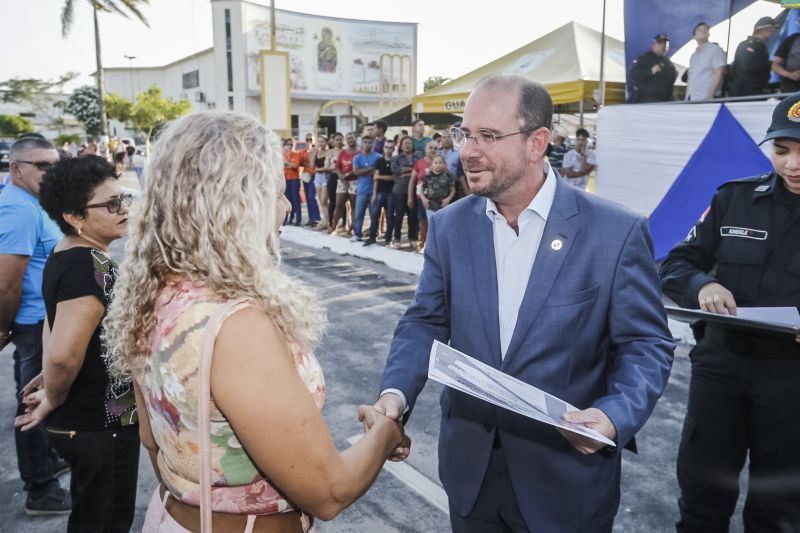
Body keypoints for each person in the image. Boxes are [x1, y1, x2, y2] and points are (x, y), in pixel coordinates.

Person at [369, 74, 674, 532]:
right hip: (470, 477)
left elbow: (646, 344)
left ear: (537, 143)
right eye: (465, 134)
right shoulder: (450, 227)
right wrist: (394, 396)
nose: (468, 151)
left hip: (565, 484)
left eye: (488, 136)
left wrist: (613, 416)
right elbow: (424, 323)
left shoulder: (615, 233)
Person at [102, 112, 409, 532]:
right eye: (277, 193)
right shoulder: (235, 323)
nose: (287, 207)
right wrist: (386, 432)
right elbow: (329, 492)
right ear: (237, 205)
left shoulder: (155, 292)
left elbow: (154, 441)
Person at [660, 92, 800, 533]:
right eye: (782, 150)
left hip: (792, 380)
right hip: (720, 368)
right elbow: (676, 264)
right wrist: (704, 285)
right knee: (701, 498)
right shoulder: (734, 199)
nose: (792, 165)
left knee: (779, 511)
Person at [15, 155, 139, 532]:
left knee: (93, 516)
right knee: (104, 521)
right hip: (99, 424)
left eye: (123, 198)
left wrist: (48, 375)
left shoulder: (68, 251)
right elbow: (64, 356)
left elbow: (54, 323)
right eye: (111, 204)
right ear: (74, 216)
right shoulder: (87, 266)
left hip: (96, 422)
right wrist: (53, 395)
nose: (123, 209)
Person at [0, 136, 71, 515]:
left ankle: (47, 461)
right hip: (35, 324)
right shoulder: (20, 210)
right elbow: (7, 284)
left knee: (43, 399)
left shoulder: (27, 201)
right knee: (34, 403)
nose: (51, 172)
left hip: (42, 321)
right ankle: (40, 490)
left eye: (54, 164)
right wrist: (2, 329)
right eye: (42, 165)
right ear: (16, 168)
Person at [729, 17, 776, 97]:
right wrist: (770, 64)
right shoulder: (749, 45)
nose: (772, 33)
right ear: (762, 30)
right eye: (771, 30)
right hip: (746, 91)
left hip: (755, 89)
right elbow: (747, 66)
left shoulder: (759, 45)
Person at [363, 140, 396, 247]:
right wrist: (374, 194)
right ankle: (372, 237)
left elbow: (394, 177)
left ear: (393, 149)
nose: (388, 149)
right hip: (379, 192)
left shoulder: (395, 161)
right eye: (386, 147)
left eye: (390, 147)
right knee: (374, 215)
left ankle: (388, 239)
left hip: (391, 193)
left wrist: (380, 176)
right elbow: (375, 178)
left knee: (390, 216)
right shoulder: (379, 161)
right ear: (383, 148)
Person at [630, 33, 678, 102]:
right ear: (653, 45)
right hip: (648, 99)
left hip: (665, 100)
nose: (663, 46)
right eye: (660, 43)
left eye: (665, 44)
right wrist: (650, 71)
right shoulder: (645, 58)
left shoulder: (668, 61)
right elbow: (634, 73)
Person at [685, 22, 727, 101]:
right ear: (694, 37)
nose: (703, 31)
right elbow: (690, 78)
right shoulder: (693, 56)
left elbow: (719, 73)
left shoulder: (716, 49)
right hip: (692, 98)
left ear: (709, 34)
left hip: (706, 98)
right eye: (699, 30)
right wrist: (686, 98)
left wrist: (710, 97)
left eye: (705, 29)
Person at [389, 136, 418, 249]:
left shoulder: (418, 156)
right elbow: (395, 170)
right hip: (399, 190)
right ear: (400, 146)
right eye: (405, 143)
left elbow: (419, 170)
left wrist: (406, 171)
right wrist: (412, 170)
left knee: (412, 215)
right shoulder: (396, 158)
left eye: (409, 143)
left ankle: (412, 238)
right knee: (399, 215)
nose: (407, 145)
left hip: (415, 189)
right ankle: (397, 238)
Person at [351, 135, 381, 242]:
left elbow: (378, 172)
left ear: (373, 144)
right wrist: (371, 169)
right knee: (359, 214)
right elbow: (356, 172)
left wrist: (364, 170)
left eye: (370, 142)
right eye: (365, 142)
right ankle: (357, 234)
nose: (367, 144)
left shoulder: (378, 157)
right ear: (362, 143)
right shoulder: (357, 158)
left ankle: (374, 234)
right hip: (362, 190)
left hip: (374, 190)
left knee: (374, 215)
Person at [331, 132, 359, 235]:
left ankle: (353, 227)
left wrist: (346, 174)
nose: (350, 140)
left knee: (354, 205)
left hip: (354, 181)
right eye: (348, 138)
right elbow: (337, 166)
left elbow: (358, 168)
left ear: (356, 139)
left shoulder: (359, 153)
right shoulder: (343, 152)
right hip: (342, 181)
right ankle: (334, 226)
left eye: (352, 138)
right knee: (339, 204)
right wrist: (340, 175)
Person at [420, 154, 456, 219]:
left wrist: (448, 199)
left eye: (440, 162)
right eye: (435, 163)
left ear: (444, 164)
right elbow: (421, 189)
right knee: (431, 222)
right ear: (432, 164)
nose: (438, 165)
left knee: (443, 222)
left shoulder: (448, 175)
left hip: (443, 205)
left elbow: (453, 189)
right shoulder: (428, 175)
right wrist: (423, 199)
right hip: (430, 205)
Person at [773, 18, 800, 94]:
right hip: (790, 88)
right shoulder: (791, 40)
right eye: (798, 22)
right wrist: (790, 75)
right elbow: (774, 65)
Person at [312, 135, 331, 229]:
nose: (320, 143)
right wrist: (313, 153)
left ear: (326, 142)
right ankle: (324, 221)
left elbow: (328, 167)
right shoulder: (316, 152)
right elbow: (312, 165)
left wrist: (319, 169)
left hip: (325, 176)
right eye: (319, 141)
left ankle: (328, 221)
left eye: (322, 141)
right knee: (320, 201)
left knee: (324, 200)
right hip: (317, 177)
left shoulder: (328, 152)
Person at [282, 138, 303, 225]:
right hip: (285, 179)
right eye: (288, 144)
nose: (289, 146)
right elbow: (281, 165)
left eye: (291, 144)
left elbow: (295, 165)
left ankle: (298, 219)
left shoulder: (297, 154)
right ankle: (285, 219)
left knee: (295, 200)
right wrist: (288, 164)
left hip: (294, 179)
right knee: (286, 200)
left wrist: (286, 163)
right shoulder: (283, 154)